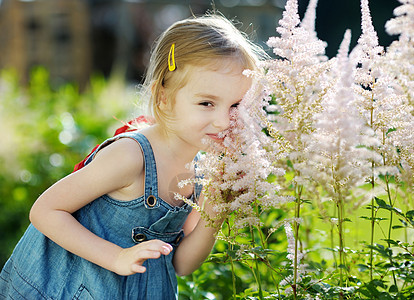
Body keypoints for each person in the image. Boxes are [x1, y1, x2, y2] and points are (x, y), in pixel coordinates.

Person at [0, 14, 265, 299]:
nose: (225, 122)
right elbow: (45, 211)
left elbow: (182, 263)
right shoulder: (131, 157)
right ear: (163, 97)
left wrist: (218, 204)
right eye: (206, 103)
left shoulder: (203, 170)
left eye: (236, 105)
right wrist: (116, 257)